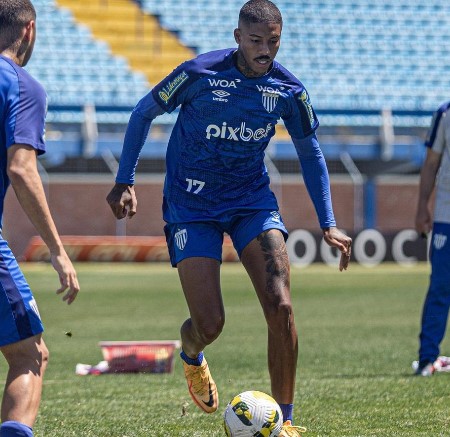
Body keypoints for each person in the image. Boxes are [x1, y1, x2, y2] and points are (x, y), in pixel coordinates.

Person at [107, 0, 351, 434]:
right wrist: (124, 180)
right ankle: (191, 354)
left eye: (273, 42)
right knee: (209, 323)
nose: (265, 50)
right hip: (190, 205)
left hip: (250, 203)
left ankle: (286, 422)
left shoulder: (288, 90)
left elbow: (310, 152)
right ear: (237, 37)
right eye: (256, 41)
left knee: (281, 306)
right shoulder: (199, 73)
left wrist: (328, 222)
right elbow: (143, 111)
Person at [0, 1, 80, 435]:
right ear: (29, 30)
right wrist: (58, 250)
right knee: (30, 354)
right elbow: (22, 168)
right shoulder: (21, 84)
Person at [414, 101, 450, 376]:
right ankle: (428, 358)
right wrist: (422, 205)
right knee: (440, 287)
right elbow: (432, 162)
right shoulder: (445, 113)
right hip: (446, 217)